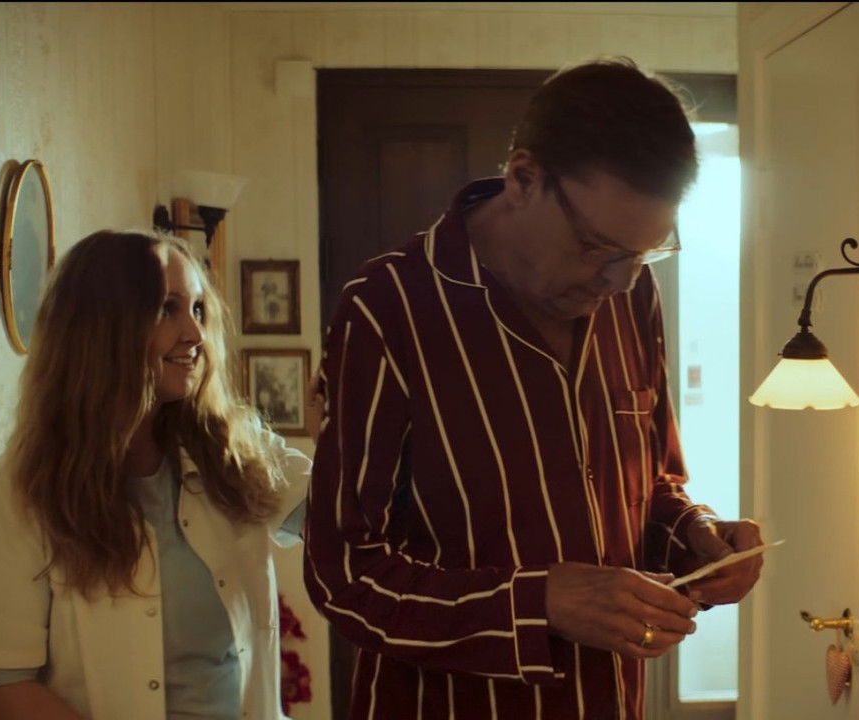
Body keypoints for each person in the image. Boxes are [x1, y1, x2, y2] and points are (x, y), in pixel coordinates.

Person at [304, 58, 765, 719]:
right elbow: (343, 574)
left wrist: (698, 539)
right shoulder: (388, 309)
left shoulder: (633, 297)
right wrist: (536, 604)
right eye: (596, 247)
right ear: (524, 178)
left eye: (644, 254)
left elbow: (651, 487)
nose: (618, 280)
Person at [0, 230, 310, 720]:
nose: (195, 334)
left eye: (198, 309)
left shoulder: (232, 452)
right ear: (104, 328)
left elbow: (340, 513)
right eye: (168, 309)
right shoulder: (15, 496)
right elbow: (4, 683)